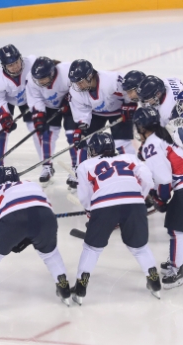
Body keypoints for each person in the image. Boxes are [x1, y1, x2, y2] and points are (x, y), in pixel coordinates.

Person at [73, 132, 161, 304]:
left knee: (92, 248)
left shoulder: (85, 165)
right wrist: (139, 198)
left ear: (93, 149)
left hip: (104, 205)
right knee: (140, 247)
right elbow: (148, 180)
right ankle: (154, 281)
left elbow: (85, 196)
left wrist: (91, 211)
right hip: (134, 203)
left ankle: (80, 287)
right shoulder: (130, 158)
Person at [0, 166, 71, 312]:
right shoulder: (32, 184)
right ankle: (64, 287)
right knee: (50, 253)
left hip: (13, 219)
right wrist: (28, 237)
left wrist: (11, 241)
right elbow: (47, 208)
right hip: (45, 217)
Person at [134, 107, 183, 289]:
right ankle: (176, 260)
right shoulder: (162, 135)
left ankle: (178, 269)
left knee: (176, 229)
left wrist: (160, 198)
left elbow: (164, 179)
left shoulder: (152, 144)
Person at [68, 59, 137, 163]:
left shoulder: (112, 80)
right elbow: (81, 111)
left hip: (118, 112)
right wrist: (81, 128)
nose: (78, 86)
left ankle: (133, 168)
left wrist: (130, 104)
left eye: (81, 82)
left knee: (121, 142)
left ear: (90, 76)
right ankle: (81, 170)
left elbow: (130, 91)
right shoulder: (75, 92)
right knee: (84, 141)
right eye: (76, 83)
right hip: (95, 113)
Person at [26, 56, 76, 187]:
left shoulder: (67, 71)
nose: (41, 82)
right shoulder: (31, 80)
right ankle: (47, 166)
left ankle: (77, 167)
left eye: (44, 78)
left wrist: (69, 99)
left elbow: (78, 87)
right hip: (49, 106)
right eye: (39, 79)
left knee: (73, 135)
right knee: (46, 135)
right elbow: (35, 99)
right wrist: (39, 117)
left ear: (52, 73)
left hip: (70, 105)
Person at [0, 44, 35, 169]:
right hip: (7, 100)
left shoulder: (32, 64)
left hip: (29, 97)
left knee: (39, 126)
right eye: (10, 65)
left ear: (21, 58)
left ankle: (47, 165)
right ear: (4, 66)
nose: (15, 67)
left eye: (17, 62)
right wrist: (5, 116)